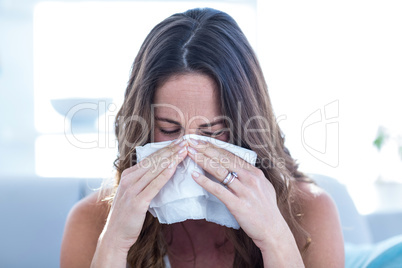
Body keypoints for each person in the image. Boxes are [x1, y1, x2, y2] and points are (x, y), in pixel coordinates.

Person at [60, 7, 344, 268]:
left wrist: (275, 238)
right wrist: (113, 244)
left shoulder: (310, 213)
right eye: (170, 129)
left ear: (247, 130)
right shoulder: (90, 222)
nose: (189, 151)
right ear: (144, 126)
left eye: (213, 132)